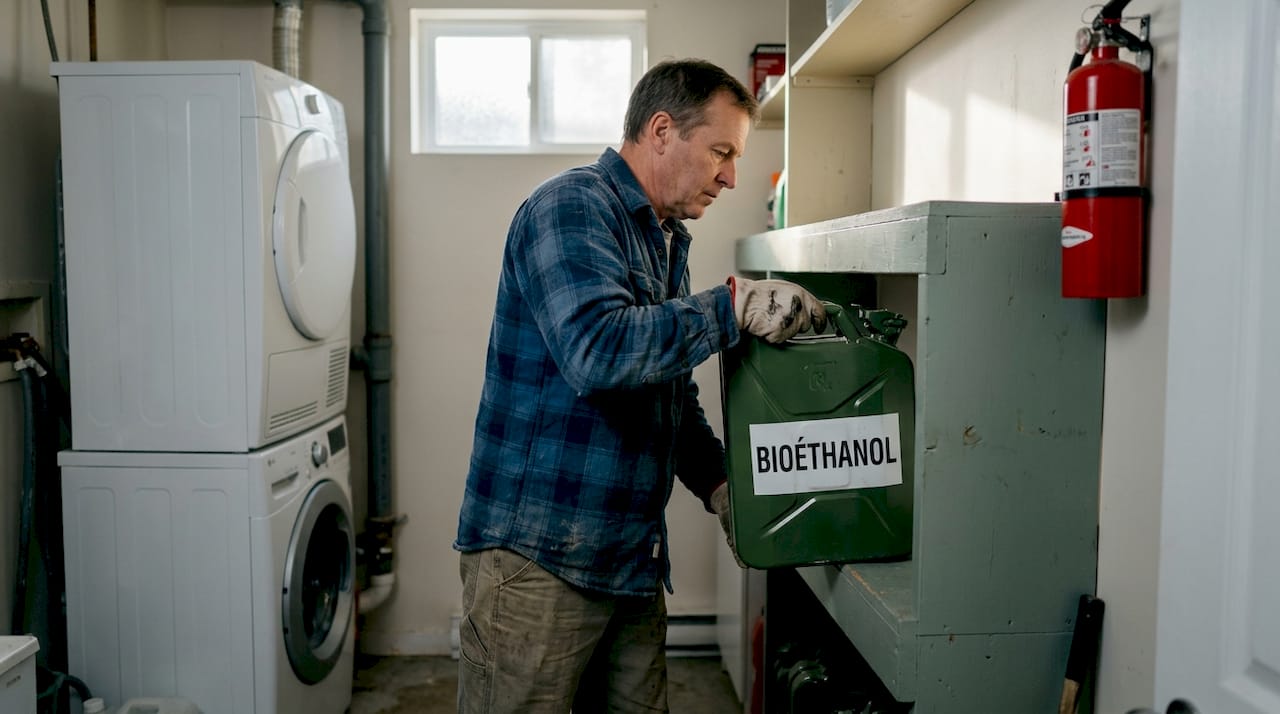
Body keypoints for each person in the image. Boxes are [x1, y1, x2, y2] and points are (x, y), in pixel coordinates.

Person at [454, 58, 827, 714]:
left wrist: (719, 485)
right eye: (721, 152)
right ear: (660, 131)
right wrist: (729, 307)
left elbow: (666, 392)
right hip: (539, 562)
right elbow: (597, 352)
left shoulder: (664, 238)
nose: (731, 177)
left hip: (629, 560)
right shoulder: (571, 207)